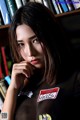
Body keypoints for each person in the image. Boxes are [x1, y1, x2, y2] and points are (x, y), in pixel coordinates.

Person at [1, 2, 80, 120]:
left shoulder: (74, 78)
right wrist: (12, 88)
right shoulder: (22, 84)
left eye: (35, 40)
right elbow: (3, 117)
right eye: (21, 44)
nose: (30, 53)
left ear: (51, 36)